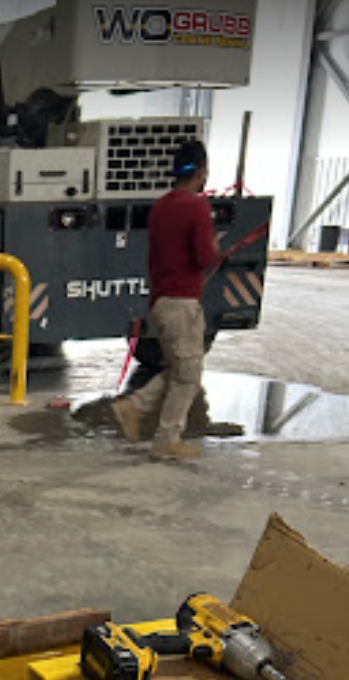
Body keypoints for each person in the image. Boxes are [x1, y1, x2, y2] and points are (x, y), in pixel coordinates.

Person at [112, 139, 220, 462]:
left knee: (179, 368)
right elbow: (203, 256)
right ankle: (166, 439)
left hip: (161, 301)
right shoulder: (196, 207)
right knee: (189, 375)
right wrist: (215, 246)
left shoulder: (161, 206)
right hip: (182, 303)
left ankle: (135, 407)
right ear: (201, 172)